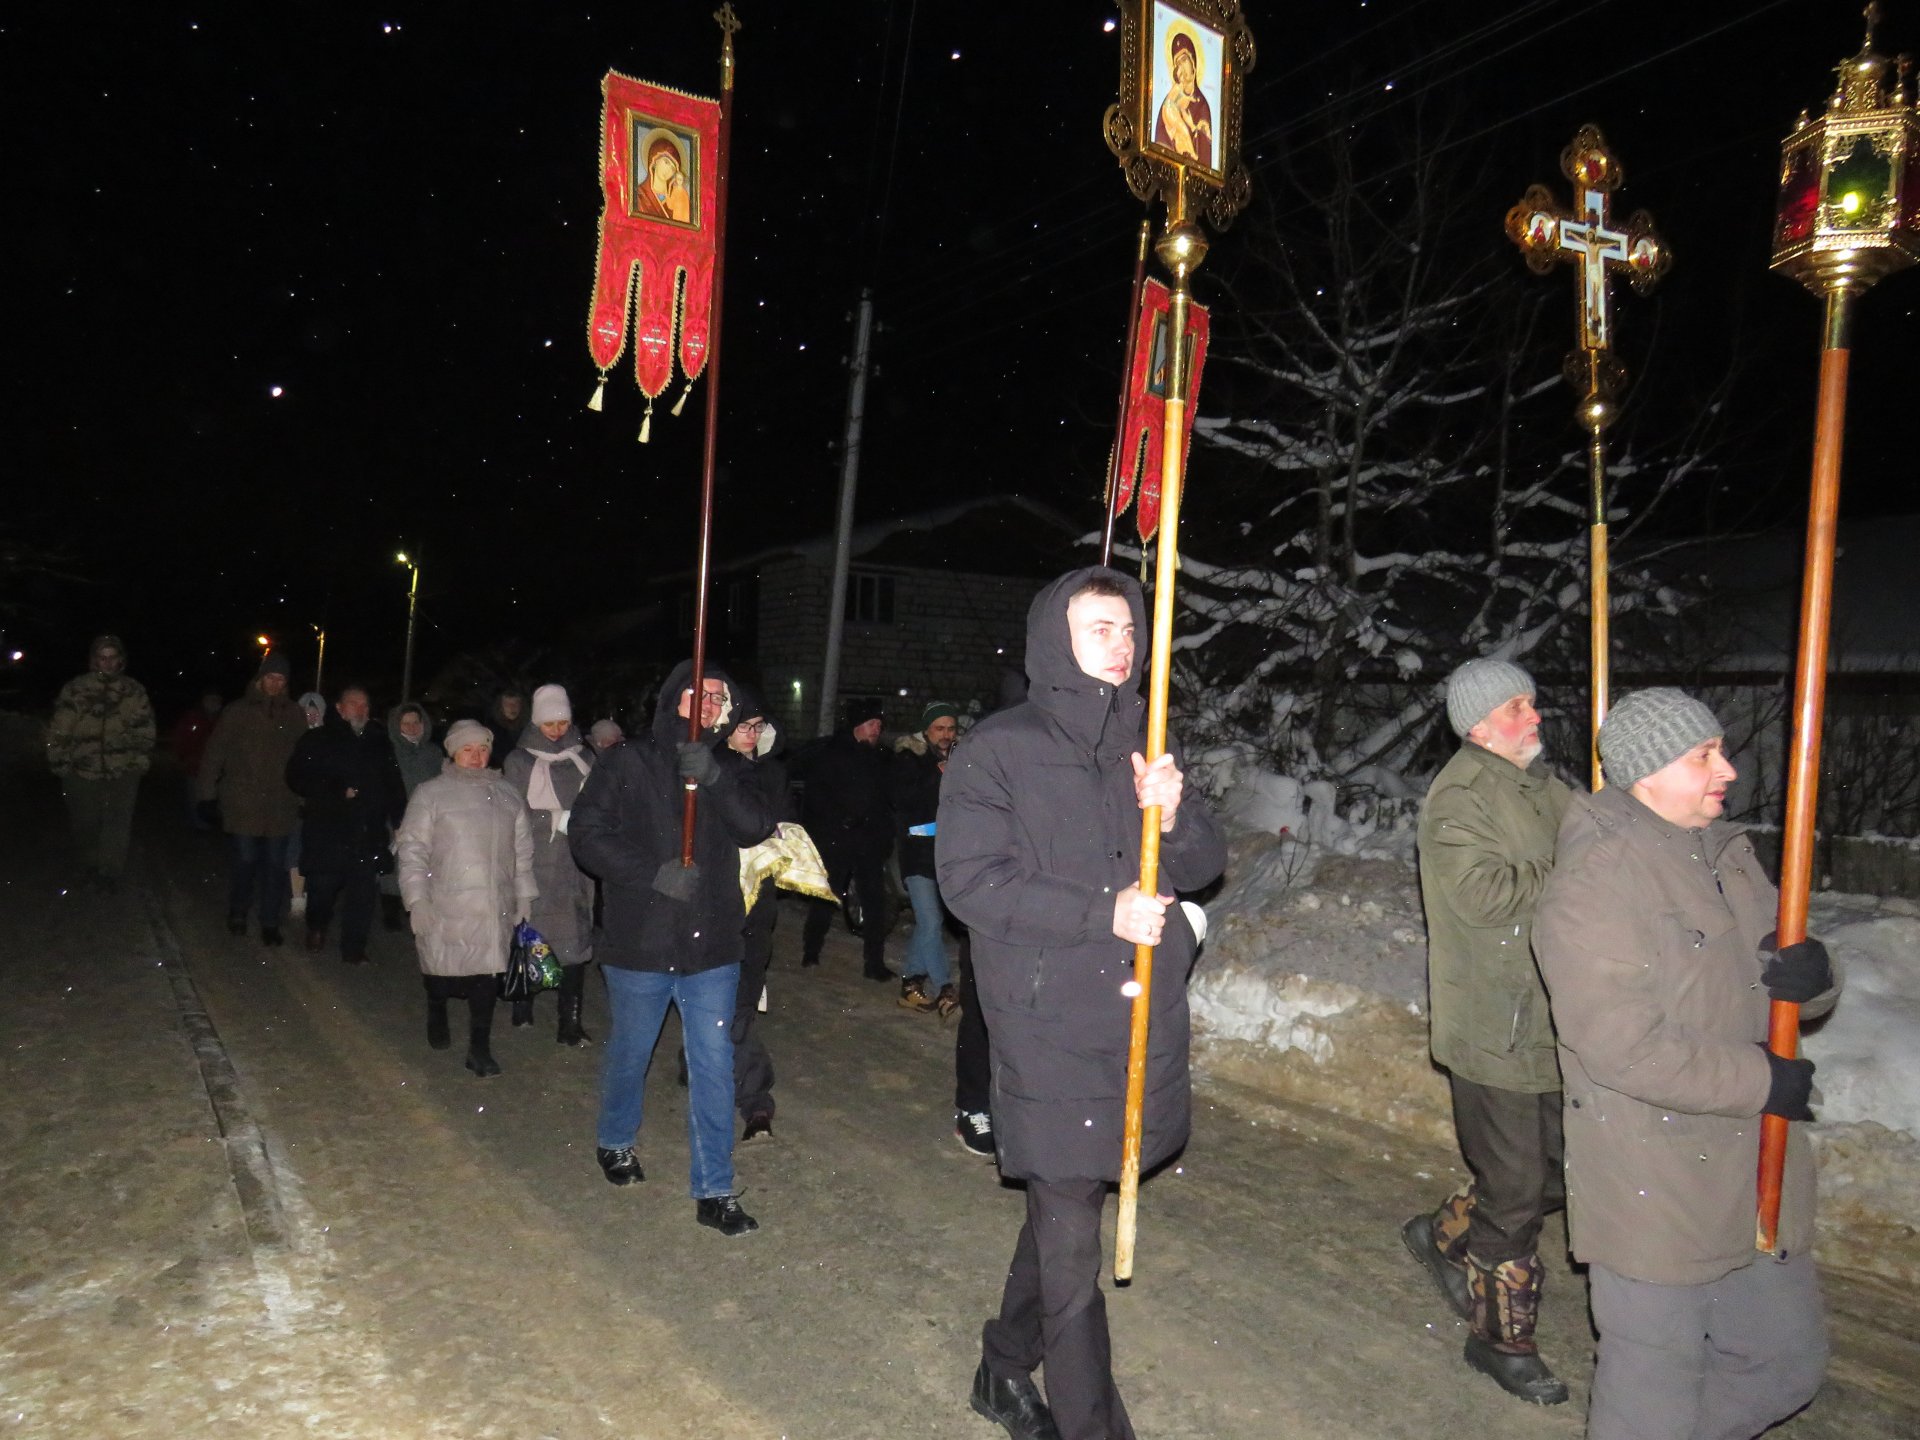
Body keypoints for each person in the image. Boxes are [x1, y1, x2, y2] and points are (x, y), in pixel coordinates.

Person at [938, 566, 1227, 1440]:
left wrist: (1174, 815)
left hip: (1136, 1015)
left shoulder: (1143, 736)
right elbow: (972, 881)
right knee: (1071, 1252)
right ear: (1054, 641)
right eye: (1100, 627)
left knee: (1065, 1206)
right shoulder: (1000, 748)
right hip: (1049, 1023)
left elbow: (1201, 865)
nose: (1122, 643)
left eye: (1128, 627)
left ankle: (1002, 1364)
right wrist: (1102, 911)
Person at [1534, 689, 1838, 1440]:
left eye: (1720, 750)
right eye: (1703, 755)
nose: (1727, 769)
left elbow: (1786, 981)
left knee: (1783, 1363)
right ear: (1647, 772)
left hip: (1753, 1164)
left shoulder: (1727, 854)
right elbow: (1621, 1046)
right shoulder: (1598, 879)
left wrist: (1816, 976)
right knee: (1653, 1400)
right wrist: (1762, 1080)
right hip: (1655, 1180)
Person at [1400, 657, 1573, 1405]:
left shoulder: (1546, 788)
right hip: (1494, 1025)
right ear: (1477, 727)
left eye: (1531, 703)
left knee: (1560, 1172)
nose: (1534, 716)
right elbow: (1483, 895)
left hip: (1556, 1017)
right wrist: (1577, 870)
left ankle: (1443, 1234)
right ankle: (1500, 1340)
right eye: (1515, 708)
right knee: (1516, 1190)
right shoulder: (1460, 797)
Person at [570, 661, 781, 1237]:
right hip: (641, 941)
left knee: (714, 1066)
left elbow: (755, 826)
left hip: (712, 946)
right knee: (631, 1051)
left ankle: (714, 1190)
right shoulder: (627, 761)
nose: (710, 705)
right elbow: (587, 836)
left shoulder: (729, 766)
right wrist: (653, 874)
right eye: (700, 694)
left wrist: (714, 778)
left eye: (719, 698)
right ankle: (615, 1138)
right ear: (674, 699)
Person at [395, 719, 536, 1077]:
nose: (476, 756)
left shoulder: (506, 795)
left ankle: (479, 1049)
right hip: (446, 903)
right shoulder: (430, 794)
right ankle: (436, 1007)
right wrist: (417, 900)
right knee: (441, 973)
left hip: (493, 906)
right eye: (468, 749)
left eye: (483, 749)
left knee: (486, 978)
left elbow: (522, 852)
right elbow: (412, 850)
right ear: (453, 752)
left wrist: (524, 896)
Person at [501, 684, 597, 1045]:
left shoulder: (584, 758)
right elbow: (512, 812)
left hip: (575, 865)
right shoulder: (519, 760)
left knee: (575, 942)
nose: (556, 730)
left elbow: (598, 803)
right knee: (532, 935)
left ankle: (569, 1023)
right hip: (535, 861)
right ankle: (523, 1000)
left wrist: (585, 824)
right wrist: (555, 819)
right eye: (549, 723)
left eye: (562, 722)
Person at [284, 685, 406, 966]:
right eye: (353, 704)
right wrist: (336, 790)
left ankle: (354, 947)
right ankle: (317, 926)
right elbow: (296, 777)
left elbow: (393, 784)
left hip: (367, 831)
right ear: (339, 708)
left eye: (365, 705)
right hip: (328, 829)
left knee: (363, 893)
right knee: (323, 887)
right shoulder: (318, 739)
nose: (360, 710)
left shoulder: (379, 742)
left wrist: (399, 818)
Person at [717, 686, 787, 1141]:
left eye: (758, 727)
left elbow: (785, 828)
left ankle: (751, 1095)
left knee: (739, 1003)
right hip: (716, 904)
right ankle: (754, 1098)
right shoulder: (711, 772)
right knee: (725, 1007)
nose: (752, 734)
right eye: (744, 725)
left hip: (757, 904)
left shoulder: (770, 774)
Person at [198, 653, 305, 944]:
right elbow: (215, 752)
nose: (275, 683)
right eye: (271, 677)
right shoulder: (237, 711)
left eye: (281, 679)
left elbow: (303, 758)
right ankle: (238, 911)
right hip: (243, 799)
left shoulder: (294, 714)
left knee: (275, 864)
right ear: (260, 678)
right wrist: (207, 794)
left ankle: (270, 921)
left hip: (281, 803)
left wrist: (304, 795)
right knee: (245, 859)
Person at [793, 698, 894, 980]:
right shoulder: (832, 755)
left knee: (874, 903)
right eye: (871, 723)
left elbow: (885, 801)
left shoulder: (880, 757)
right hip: (838, 841)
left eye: (879, 724)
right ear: (857, 726)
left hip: (869, 843)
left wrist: (884, 836)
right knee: (826, 897)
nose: (877, 729)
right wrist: (835, 826)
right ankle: (811, 950)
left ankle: (874, 964)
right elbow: (817, 800)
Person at [46, 634, 156, 889]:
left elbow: (145, 730)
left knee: (117, 823)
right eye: (102, 657)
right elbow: (59, 729)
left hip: (123, 770)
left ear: (120, 660)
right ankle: (90, 864)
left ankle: (109, 872)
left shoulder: (133, 691)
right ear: (94, 660)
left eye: (112, 657)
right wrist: (59, 761)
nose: (107, 663)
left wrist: (139, 762)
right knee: (86, 822)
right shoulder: (76, 688)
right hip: (81, 770)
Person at [892, 701, 962, 1015]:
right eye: (939, 728)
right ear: (926, 730)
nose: (946, 734)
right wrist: (938, 775)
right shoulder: (909, 758)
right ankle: (945, 986)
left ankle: (911, 984)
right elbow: (905, 802)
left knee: (928, 923)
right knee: (931, 921)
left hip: (946, 855)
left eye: (951, 728)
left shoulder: (959, 757)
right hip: (917, 853)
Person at [381, 701, 442, 929]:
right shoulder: (390, 752)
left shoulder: (433, 752)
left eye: (416, 722)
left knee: (422, 863)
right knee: (396, 864)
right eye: (406, 723)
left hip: (426, 816)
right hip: (398, 815)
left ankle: (416, 907)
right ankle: (390, 909)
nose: (412, 727)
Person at [1153, 28, 1214, 168]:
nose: (1181, 67)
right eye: (1177, 63)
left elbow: (1206, 149)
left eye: (1184, 60)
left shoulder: (1202, 104)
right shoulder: (1169, 101)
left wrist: (1198, 131)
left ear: (1193, 62)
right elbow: (1161, 142)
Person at [169, 690, 224, 830]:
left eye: (216, 699)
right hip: (195, 766)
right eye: (210, 699)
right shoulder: (192, 717)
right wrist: (180, 758)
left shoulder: (224, 719)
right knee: (195, 797)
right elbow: (180, 738)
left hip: (217, 769)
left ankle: (212, 824)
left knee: (215, 797)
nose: (213, 703)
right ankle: (198, 825)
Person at [636, 134, 692, 223]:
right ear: (655, 160)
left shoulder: (678, 197)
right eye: (666, 162)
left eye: (673, 168)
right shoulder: (640, 195)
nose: (668, 170)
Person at [485, 688, 527, 766]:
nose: (512, 707)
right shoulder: (491, 732)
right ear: (500, 707)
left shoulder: (529, 729)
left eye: (516, 703)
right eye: (507, 704)